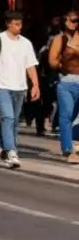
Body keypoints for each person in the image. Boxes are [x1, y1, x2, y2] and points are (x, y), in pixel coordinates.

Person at [0, 10, 40, 170]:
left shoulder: (26, 43)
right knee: (7, 117)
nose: (19, 27)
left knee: (14, 121)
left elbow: (31, 66)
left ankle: (7, 148)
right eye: (16, 23)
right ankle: (11, 151)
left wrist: (35, 85)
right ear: (8, 24)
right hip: (1, 86)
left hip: (20, 88)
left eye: (20, 24)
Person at [48, 10, 79, 162]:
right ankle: (67, 149)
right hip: (67, 81)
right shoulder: (60, 39)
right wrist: (63, 62)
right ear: (65, 22)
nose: (75, 23)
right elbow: (52, 61)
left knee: (75, 117)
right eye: (72, 20)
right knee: (66, 115)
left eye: (77, 20)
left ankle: (76, 145)